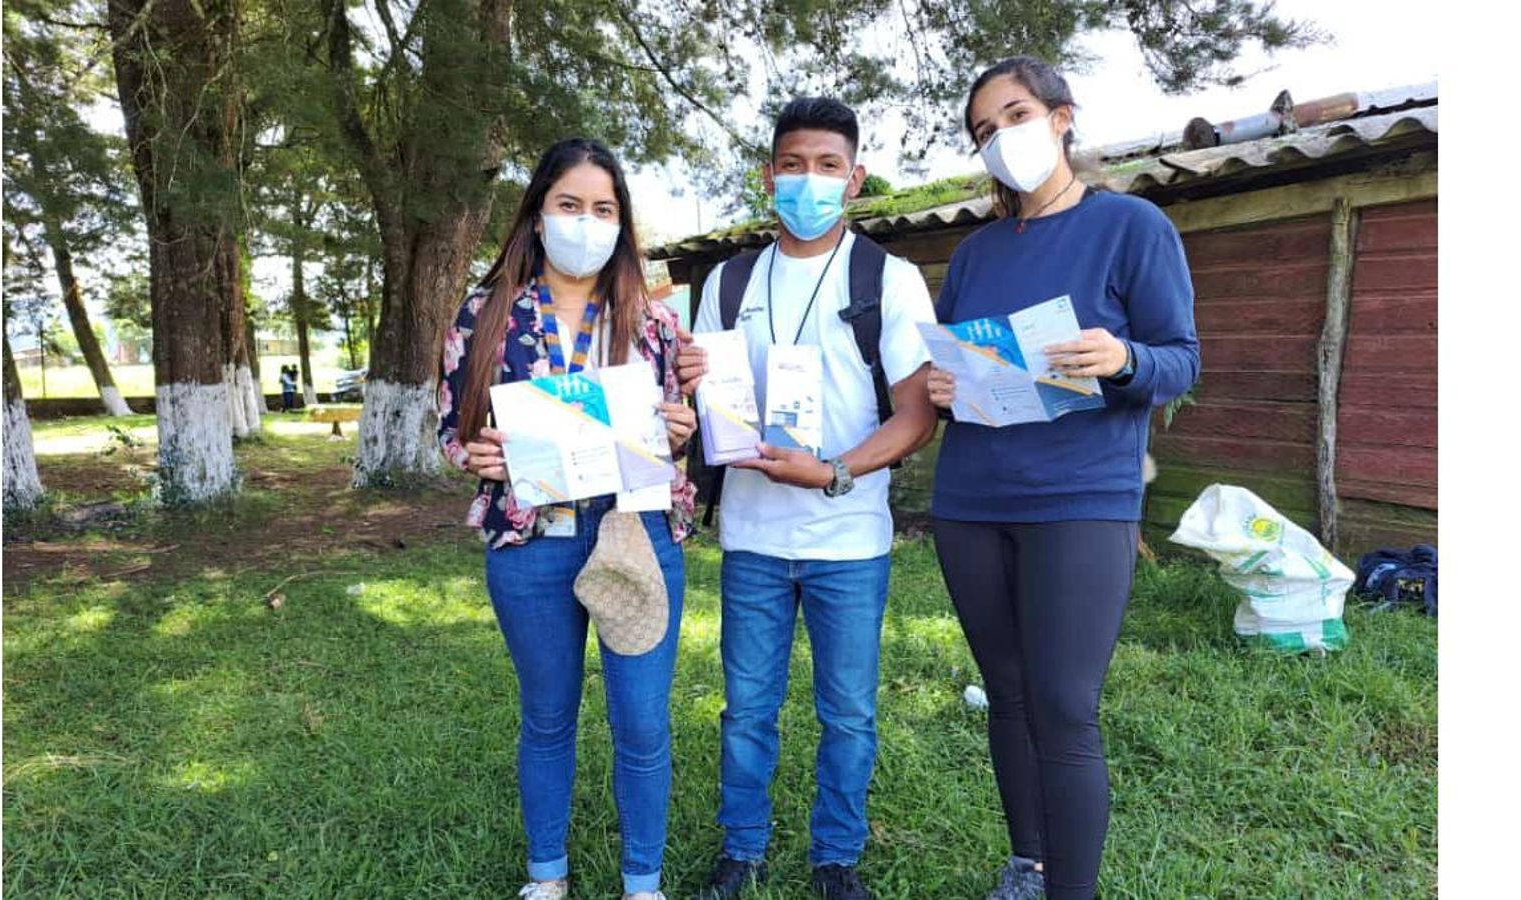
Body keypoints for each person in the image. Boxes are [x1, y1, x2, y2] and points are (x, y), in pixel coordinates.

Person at [925, 57, 1200, 900]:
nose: (1000, 138)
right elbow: (961, 365)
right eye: (983, 130)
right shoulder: (974, 252)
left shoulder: (1131, 226)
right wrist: (945, 388)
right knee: (1005, 693)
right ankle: (1028, 865)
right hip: (972, 499)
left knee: (1065, 705)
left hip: (1080, 500)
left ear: (1061, 117)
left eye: (1013, 114)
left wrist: (1122, 358)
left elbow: (1180, 360)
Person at [677, 98, 939, 900]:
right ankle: (742, 850)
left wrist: (832, 472)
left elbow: (917, 414)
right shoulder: (726, 281)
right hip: (753, 535)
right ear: (768, 177)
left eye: (828, 166)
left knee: (849, 714)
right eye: (793, 164)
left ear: (854, 180)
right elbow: (703, 405)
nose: (809, 181)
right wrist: (689, 398)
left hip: (849, 538)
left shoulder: (888, 280)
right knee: (746, 709)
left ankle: (836, 857)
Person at [435, 137, 699, 900]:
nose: (588, 222)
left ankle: (641, 883)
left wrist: (679, 433)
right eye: (570, 205)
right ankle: (546, 875)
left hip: (636, 537)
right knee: (548, 717)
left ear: (622, 223)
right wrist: (472, 456)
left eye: (604, 209)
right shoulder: (486, 314)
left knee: (643, 724)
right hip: (531, 546)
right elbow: (451, 430)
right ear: (538, 213)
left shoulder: (650, 321)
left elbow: (673, 432)